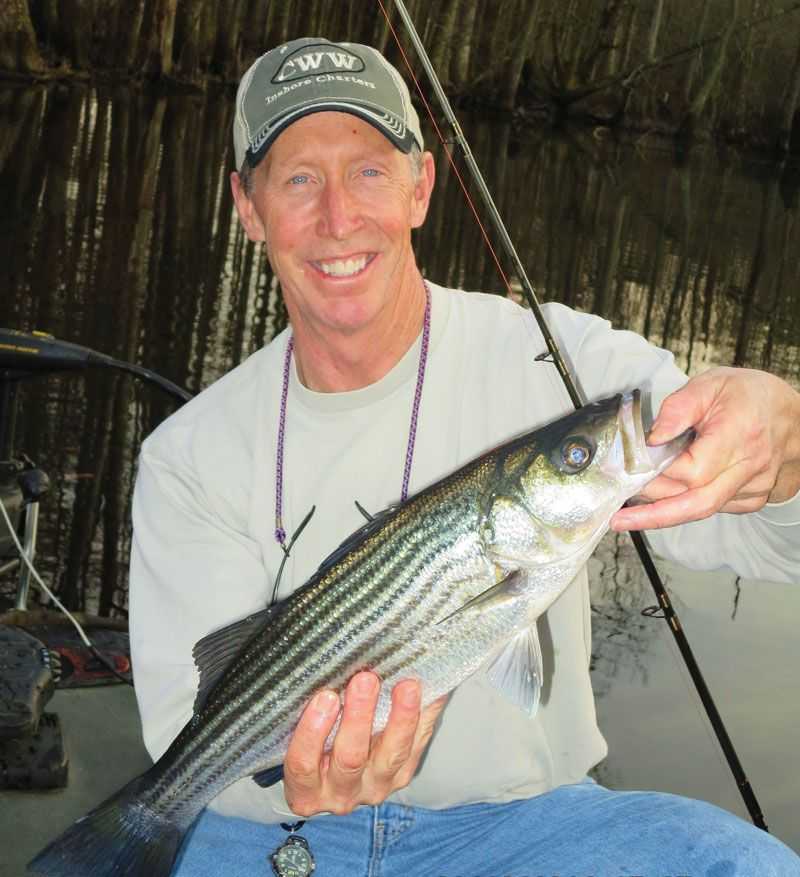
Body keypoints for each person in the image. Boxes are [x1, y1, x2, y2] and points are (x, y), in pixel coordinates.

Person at [129, 37, 800, 877]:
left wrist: (788, 447)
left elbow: (773, 542)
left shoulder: (562, 362)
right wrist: (292, 787)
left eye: (370, 170)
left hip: (531, 826)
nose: (338, 216)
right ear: (248, 206)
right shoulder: (187, 456)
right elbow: (178, 728)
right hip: (274, 830)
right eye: (299, 178)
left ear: (423, 185)